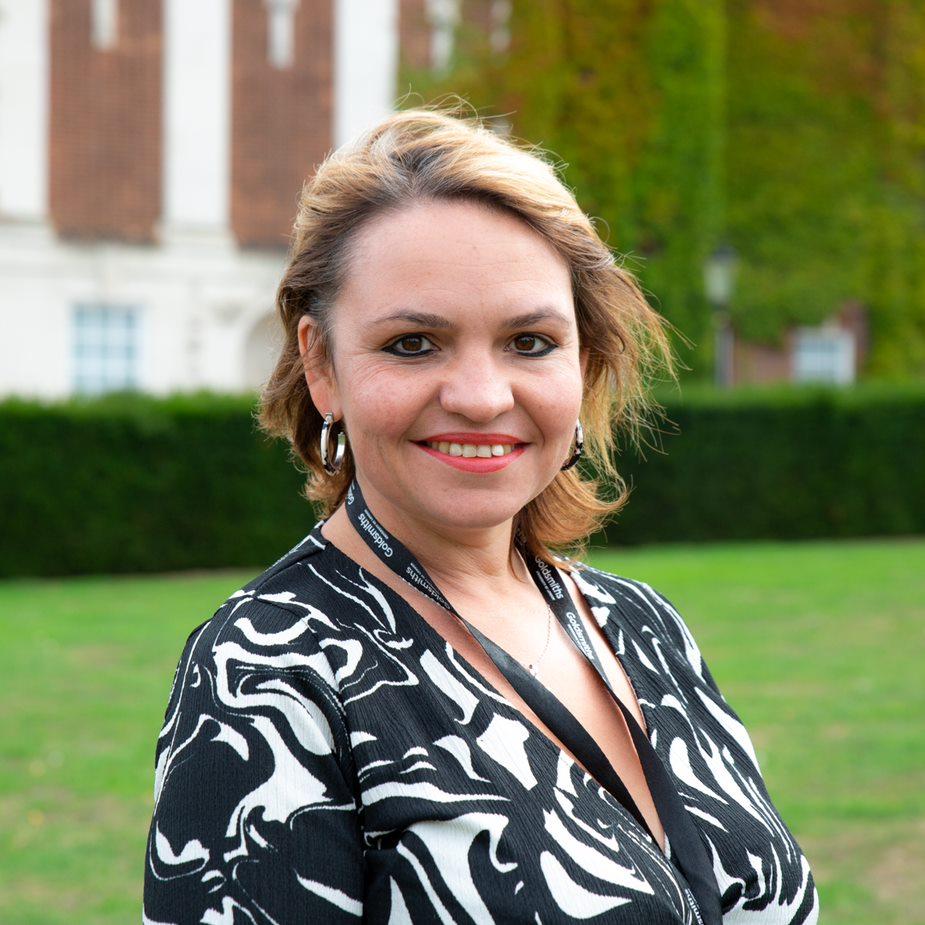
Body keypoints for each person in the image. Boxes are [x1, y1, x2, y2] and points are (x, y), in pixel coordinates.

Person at [143, 106, 819, 924]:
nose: (479, 397)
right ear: (322, 365)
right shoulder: (267, 670)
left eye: (529, 341)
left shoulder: (642, 624)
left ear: (584, 360)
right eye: (413, 344)